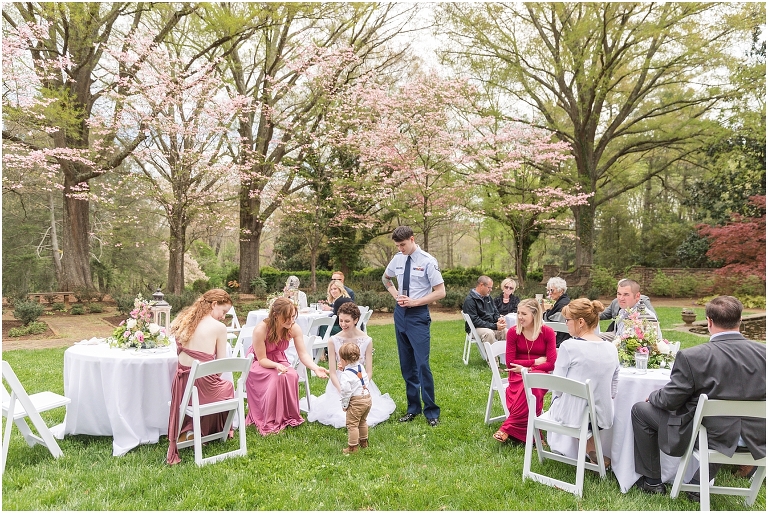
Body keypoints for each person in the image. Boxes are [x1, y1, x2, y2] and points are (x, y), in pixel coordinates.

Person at [630, 296, 766, 498]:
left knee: (641, 410)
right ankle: (697, 486)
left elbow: (670, 400)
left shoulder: (693, 356)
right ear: (740, 321)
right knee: (722, 423)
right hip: (757, 436)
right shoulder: (764, 352)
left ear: (709, 321)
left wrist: (653, 396)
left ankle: (652, 482)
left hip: (713, 436)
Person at [382, 225, 446, 427]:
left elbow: (440, 291)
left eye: (402, 244)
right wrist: (396, 296)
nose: (400, 248)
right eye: (397, 245)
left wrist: (415, 302)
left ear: (412, 239)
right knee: (406, 364)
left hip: (418, 315)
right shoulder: (397, 258)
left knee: (422, 364)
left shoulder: (428, 261)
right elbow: (386, 278)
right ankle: (413, 408)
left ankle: (431, 411)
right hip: (400, 314)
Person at [546, 298, 619, 469]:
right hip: (601, 415)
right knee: (584, 405)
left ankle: (578, 449)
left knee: (565, 403)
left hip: (571, 415)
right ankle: (592, 450)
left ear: (580, 322)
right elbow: (613, 387)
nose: (566, 325)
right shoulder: (611, 347)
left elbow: (557, 385)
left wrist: (557, 401)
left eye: (567, 320)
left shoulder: (568, 346)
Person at [166, 289, 235, 465]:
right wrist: (213, 378)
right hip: (201, 387)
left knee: (211, 388)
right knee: (226, 387)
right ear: (214, 305)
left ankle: (191, 430)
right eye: (223, 311)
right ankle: (205, 432)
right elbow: (220, 365)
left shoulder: (185, 321)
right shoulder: (219, 328)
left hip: (182, 385)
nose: (223, 317)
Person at [245, 297, 328, 435]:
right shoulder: (261, 329)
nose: (290, 320)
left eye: (292, 317)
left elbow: (303, 354)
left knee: (291, 374)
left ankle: (287, 416)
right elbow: (262, 359)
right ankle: (270, 419)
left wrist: (315, 367)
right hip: (259, 362)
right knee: (275, 377)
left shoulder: (293, 328)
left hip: (278, 359)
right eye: (286, 317)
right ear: (276, 315)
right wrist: (276, 365)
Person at [306, 301, 395, 428]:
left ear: (356, 320)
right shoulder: (333, 340)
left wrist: (361, 386)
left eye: (346, 321)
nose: (343, 324)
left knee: (367, 414)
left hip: (361, 381)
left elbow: (369, 371)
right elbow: (332, 372)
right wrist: (342, 390)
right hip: (339, 382)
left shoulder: (367, 340)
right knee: (340, 416)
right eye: (340, 320)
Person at [494, 298, 557, 443]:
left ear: (534, 315)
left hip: (540, 374)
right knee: (529, 387)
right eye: (518, 313)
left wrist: (528, 368)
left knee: (533, 384)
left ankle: (507, 427)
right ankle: (535, 436)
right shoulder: (513, 332)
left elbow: (551, 364)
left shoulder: (547, 332)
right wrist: (534, 362)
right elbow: (510, 361)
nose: (519, 317)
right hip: (517, 374)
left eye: (524, 314)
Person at [338, 342, 372, 454]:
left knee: (352, 425)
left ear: (343, 360)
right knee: (362, 421)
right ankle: (364, 442)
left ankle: (352, 448)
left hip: (356, 401)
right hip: (367, 398)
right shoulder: (360, 367)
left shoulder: (346, 375)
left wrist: (344, 404)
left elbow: (346, 391)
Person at [463, 275, 507, 347]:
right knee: (489, 333)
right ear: (481, 285)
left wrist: (499, 318)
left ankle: (507, 357)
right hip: (475, 328)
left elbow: (495, 311)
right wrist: (494, 326)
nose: (491, 290)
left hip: (489, 325)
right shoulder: (470, 300)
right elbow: (475, 321)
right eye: (489, 287)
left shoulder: (488, 297)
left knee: (506, 332)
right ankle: (492, 358)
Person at [542, 276, 571, 347]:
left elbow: (548, 320)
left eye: (552, 290)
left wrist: (541, 308)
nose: (549, 293)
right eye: (548, 291)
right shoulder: (565, 301)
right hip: (565, 338)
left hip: (559, 341)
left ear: (561, 291)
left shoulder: (562, 305)